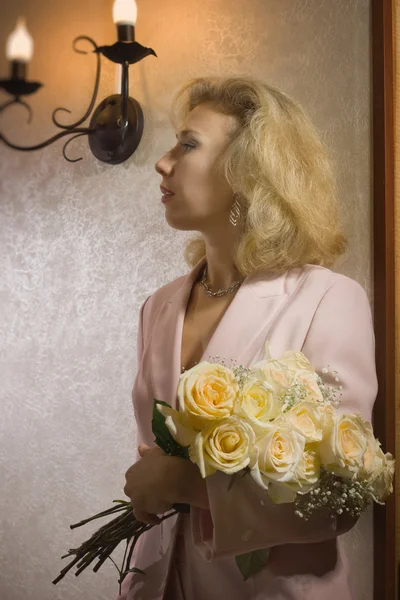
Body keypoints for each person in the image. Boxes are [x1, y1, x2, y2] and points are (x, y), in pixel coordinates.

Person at [118, 77, 377, 600]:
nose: (163, 163)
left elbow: (343, 495)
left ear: (249, 172)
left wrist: (185, 485)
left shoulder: (327, 299)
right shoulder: (159, 307)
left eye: (187, 145)